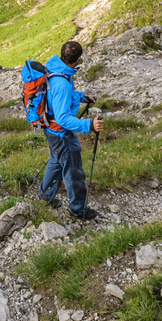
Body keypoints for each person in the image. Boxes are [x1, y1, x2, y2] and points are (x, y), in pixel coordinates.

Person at [37, 40, 104, 220]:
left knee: (56, 161)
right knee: (74, 171)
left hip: (50, 128)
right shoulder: (62, 83)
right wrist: (89, 125)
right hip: (61, 133)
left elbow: (61, 99)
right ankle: (77, 209)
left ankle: (45, 197)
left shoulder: (56, 69)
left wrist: (83, 97)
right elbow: (63, 118)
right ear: (79, 59)